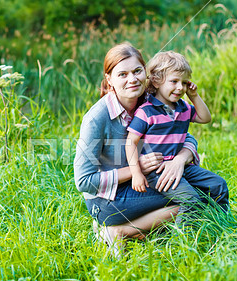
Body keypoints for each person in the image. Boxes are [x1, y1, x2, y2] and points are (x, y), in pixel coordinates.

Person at [74, 43, 211, 257]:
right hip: (109, 200)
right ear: (109, 79)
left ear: (145, 72)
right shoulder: (96, 119)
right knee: (197, 197)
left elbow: (185, 135)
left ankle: (148, 231)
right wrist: (136, 168)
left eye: (137, 71)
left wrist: (179, 160)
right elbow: (83, 181)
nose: (133, 79)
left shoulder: (149, 101)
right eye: (123, 74)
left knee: (207, 187)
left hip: (144, 183)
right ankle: (118, 231)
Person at [125, 51, 229, 218]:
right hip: (157, 171)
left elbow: (205, 118)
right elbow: (131, 142)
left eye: (184, 83)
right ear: (157, 81)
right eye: (174, 81)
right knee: (191, 201)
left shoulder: (184, 107)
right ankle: (183, 239)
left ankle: (222, 223)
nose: (180, 88)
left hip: (181, 166)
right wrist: (136, 173)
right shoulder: (146, 111)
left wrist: (194, 96)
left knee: (218, 185)